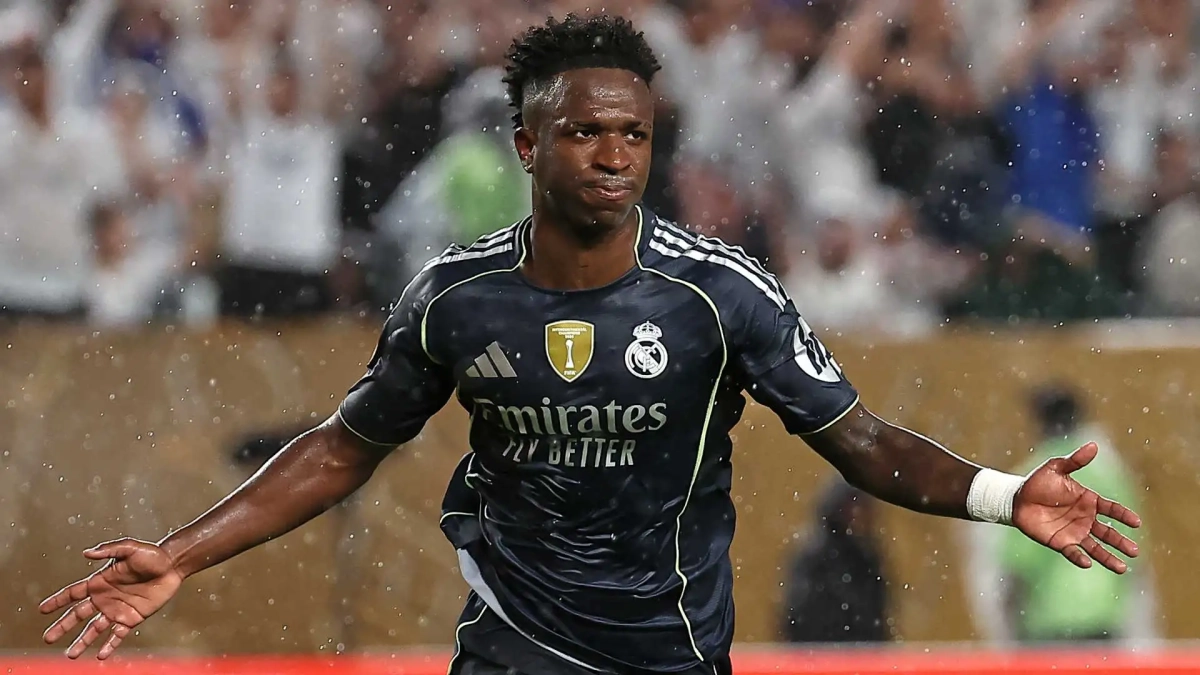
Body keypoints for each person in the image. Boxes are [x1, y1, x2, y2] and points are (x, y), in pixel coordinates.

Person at [39, 14, 1141, 675]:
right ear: (528, 142)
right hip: (512, 655)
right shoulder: (454, 297)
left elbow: (861, 442)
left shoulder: (720, 292)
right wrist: (179, 554)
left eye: (635, 134)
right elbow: (339, 450)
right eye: (583, 131)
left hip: (669, 659)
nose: (614, 154)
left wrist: (1004, 496)